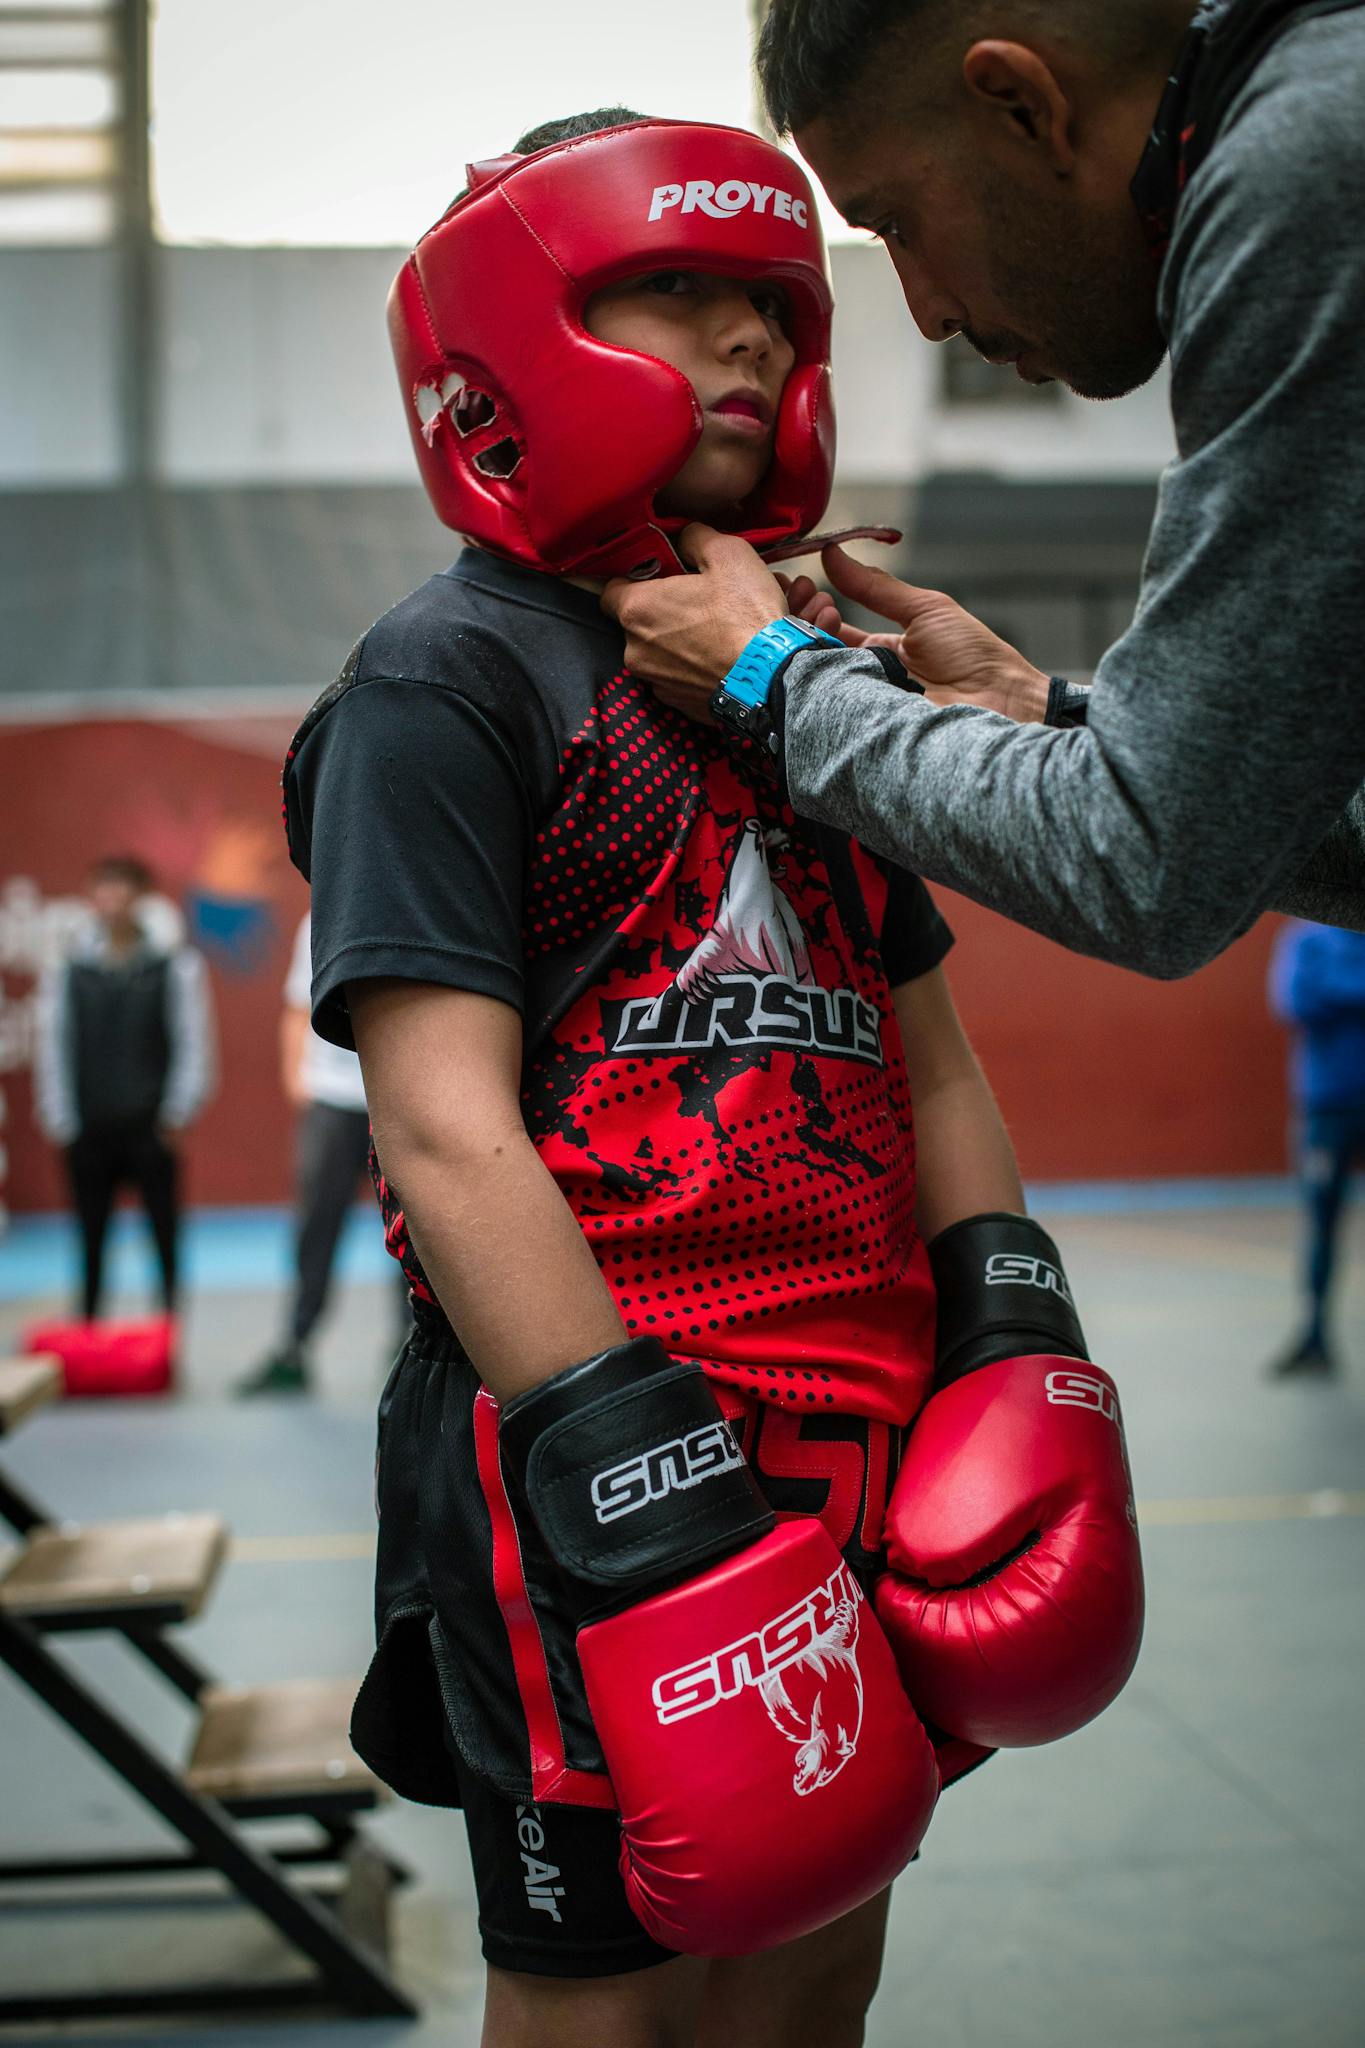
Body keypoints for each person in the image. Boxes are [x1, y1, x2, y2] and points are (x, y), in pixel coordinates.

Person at [282, 113, 1140, 2048]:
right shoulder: (448, 675)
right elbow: (440, 1125)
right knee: (603, 1999)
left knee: (820, 1940)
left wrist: (1014, 1331)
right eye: (674, 288)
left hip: (866, 1424)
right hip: (599, 1440)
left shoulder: (794, 677)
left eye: (769, 301)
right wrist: (632, 1467)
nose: (749, 337)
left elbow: (928, 1052)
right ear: (515, 333)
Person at [602, 0, 1365, 978]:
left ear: (1019, 104)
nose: (927, 314)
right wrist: (1045, 711)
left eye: (896, 224)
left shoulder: (1306, 174)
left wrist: (773, 681)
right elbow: (1236, 834)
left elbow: (1145, 864)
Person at [32, 854, 216, 1323]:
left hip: (150, 1127)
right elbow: (54, 1044)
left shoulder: (174, 967)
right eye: (103, 889)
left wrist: (177, 1113)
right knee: (90, 1237)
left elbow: (192, 1041)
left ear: (142, 898)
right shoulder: (68, 970)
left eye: (122, 889)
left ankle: (169, 1326)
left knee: (164, 1234)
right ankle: (90, 1328)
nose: (112, 900)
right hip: (89, 1128)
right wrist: (61, 1117)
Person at [238, 911, 408, 1396]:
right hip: (331, 1102)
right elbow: (298, 1006)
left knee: (413, 1229)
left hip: (396, 1100)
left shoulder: (407, 904)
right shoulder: (318, 919)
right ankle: (295, 1344)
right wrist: (301, 1085)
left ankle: (412, 1344)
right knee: (316, 1225)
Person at [1264, 921, 1365, 1378]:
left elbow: (1319, 996)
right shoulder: (1308, 938)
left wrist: (1336, 989)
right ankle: (1315, 1336)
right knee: (1322, 1222)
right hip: (1328, 1107)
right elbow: (1294, 1001)